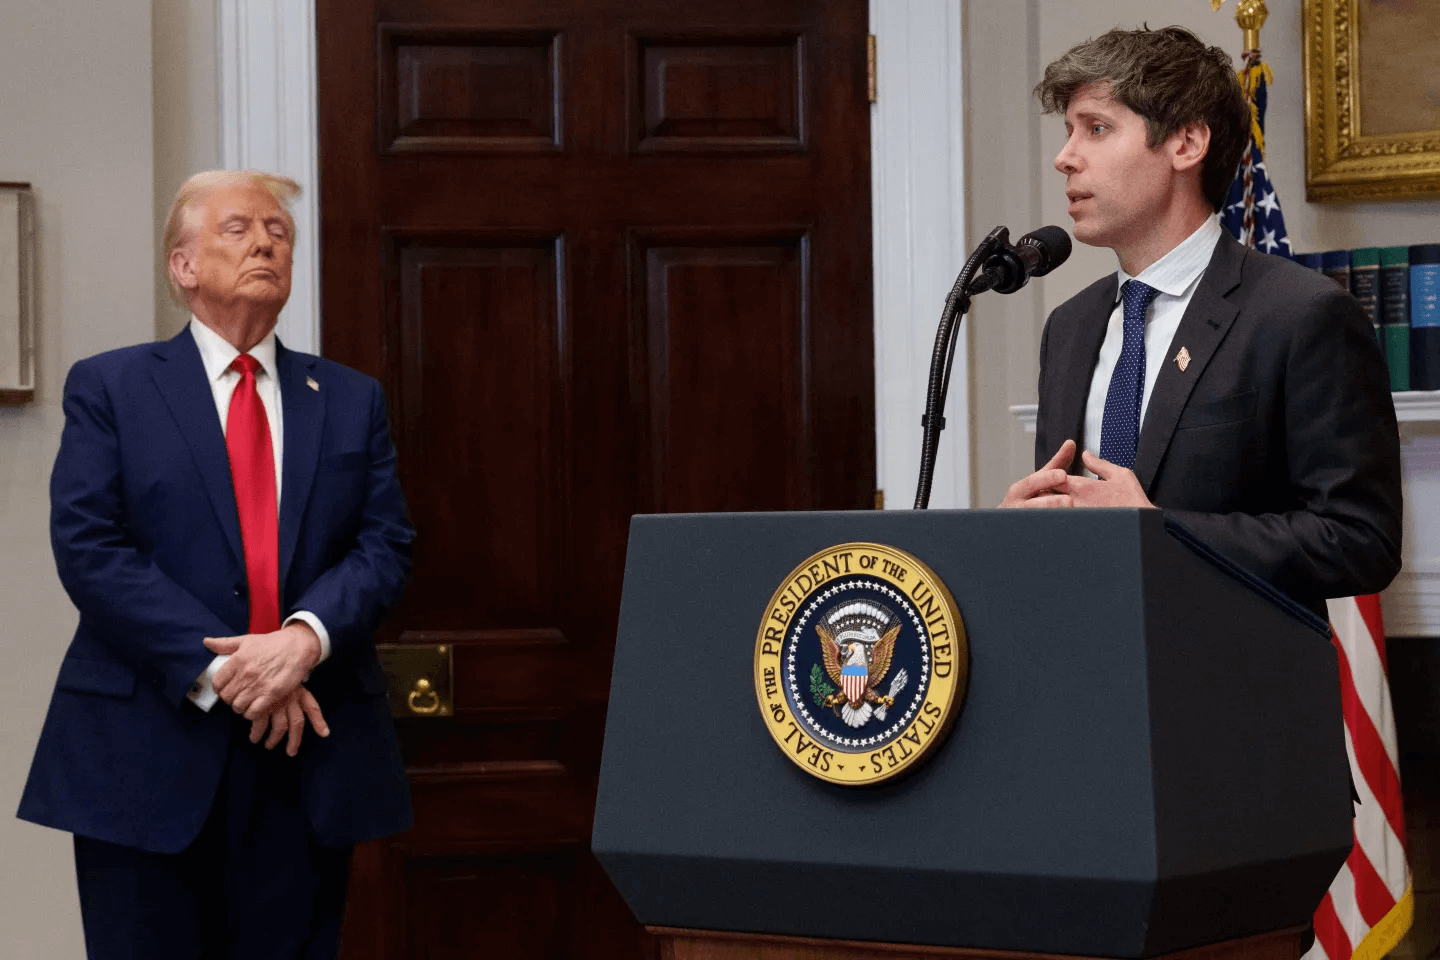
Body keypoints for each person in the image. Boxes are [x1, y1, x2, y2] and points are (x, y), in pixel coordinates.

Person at [18, 170, 414, 959]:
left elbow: (384, 543)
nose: (267, 241)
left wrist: (303, 640)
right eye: (238, 228)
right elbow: (91, 548)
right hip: (145, 752)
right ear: (183, 265)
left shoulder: (348, 397)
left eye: (279, 232)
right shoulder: (112, 387)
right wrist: (234, 674)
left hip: (308, 751)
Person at [1000, 26, 1402, 617]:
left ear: (1186, 144)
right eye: (1069, 132)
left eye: (1098, 128)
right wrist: (1017, 526)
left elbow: (1361, 540)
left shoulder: (1301, 314)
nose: (1065, 157)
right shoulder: (1070, 325)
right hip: (1088, 673)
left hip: (1231, 690)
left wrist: (1161, 533)